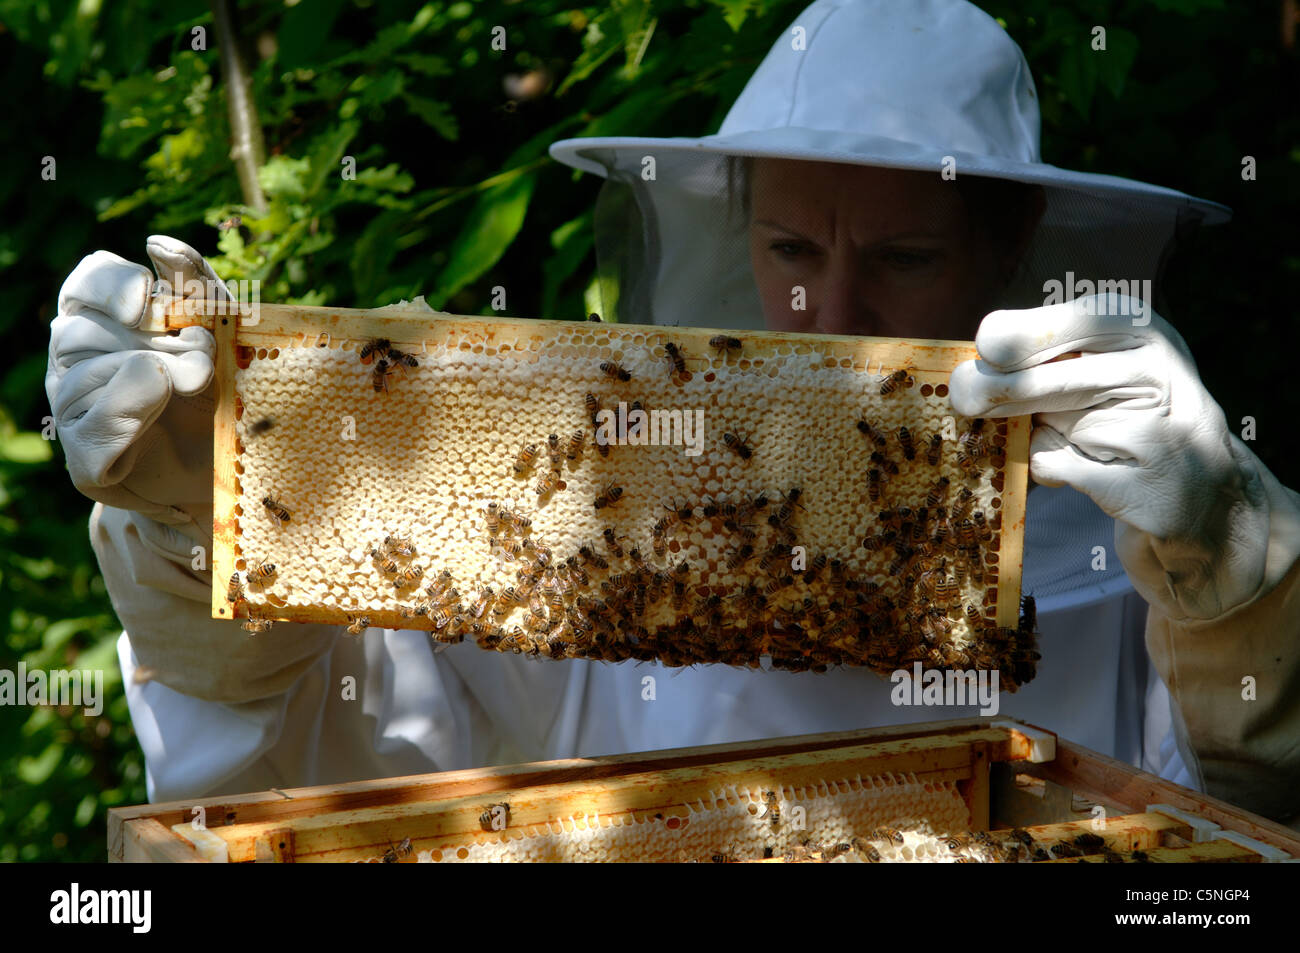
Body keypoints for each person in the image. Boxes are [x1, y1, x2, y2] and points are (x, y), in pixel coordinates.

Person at [46, 0, 1300, 826]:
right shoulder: (603, 495)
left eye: (905, 256)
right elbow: (333, 759)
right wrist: (204, 519)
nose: (832, 310)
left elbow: (1246, 826)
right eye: (789, 243)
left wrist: (1243, 576)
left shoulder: (1131, 528)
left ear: (1012, 237)